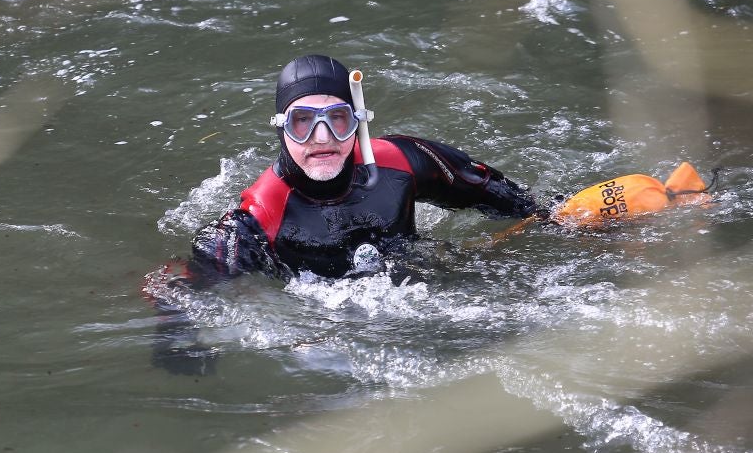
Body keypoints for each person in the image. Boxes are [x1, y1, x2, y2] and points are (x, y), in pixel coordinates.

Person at [148, 53, 538, 372]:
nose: (322, 138)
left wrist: (566, 221)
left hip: (428, 291)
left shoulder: (406, 161)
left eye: (337, 119)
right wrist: (175, 335)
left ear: (358, 123)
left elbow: (517, 203)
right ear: (282, 129)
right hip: (328, 332)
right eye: (303, 122)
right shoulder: (259, 218)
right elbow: (182, 291)